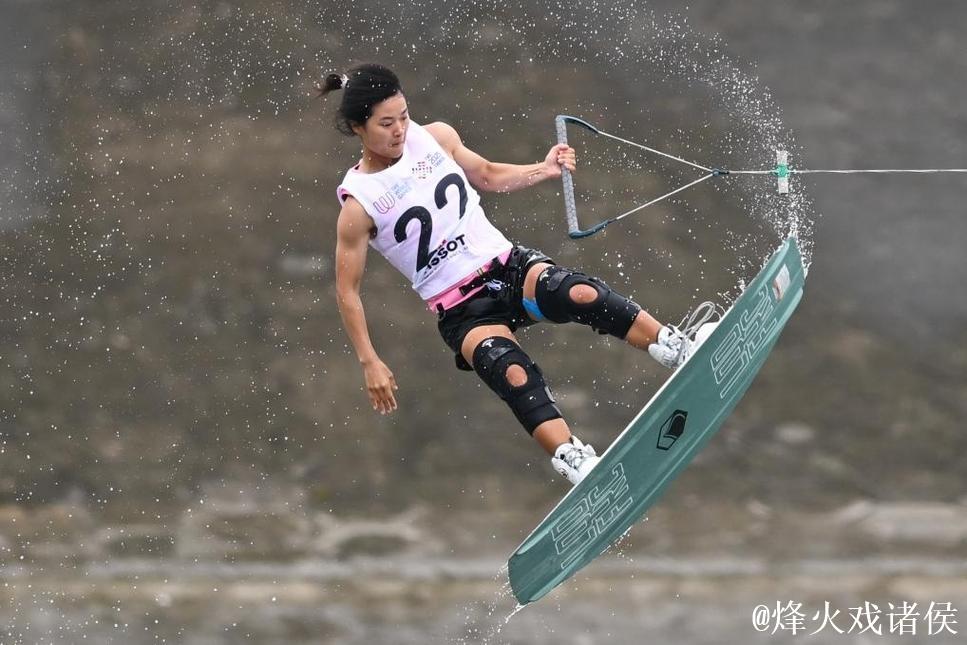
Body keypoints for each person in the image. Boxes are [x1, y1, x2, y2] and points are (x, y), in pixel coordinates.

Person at [323, 63, 708, 486]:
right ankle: (575, 461)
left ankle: (674, 347)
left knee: (579, 293)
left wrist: (542, 169)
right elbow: (348, 293)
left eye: (404, 116)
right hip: (463, 310)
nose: (399, 130)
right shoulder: (358, 206)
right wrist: (370, 361)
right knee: (511, 372)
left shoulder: (436, 137)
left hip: (508, 267)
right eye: (385, 123)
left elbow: (486, 175)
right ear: (359, 127)